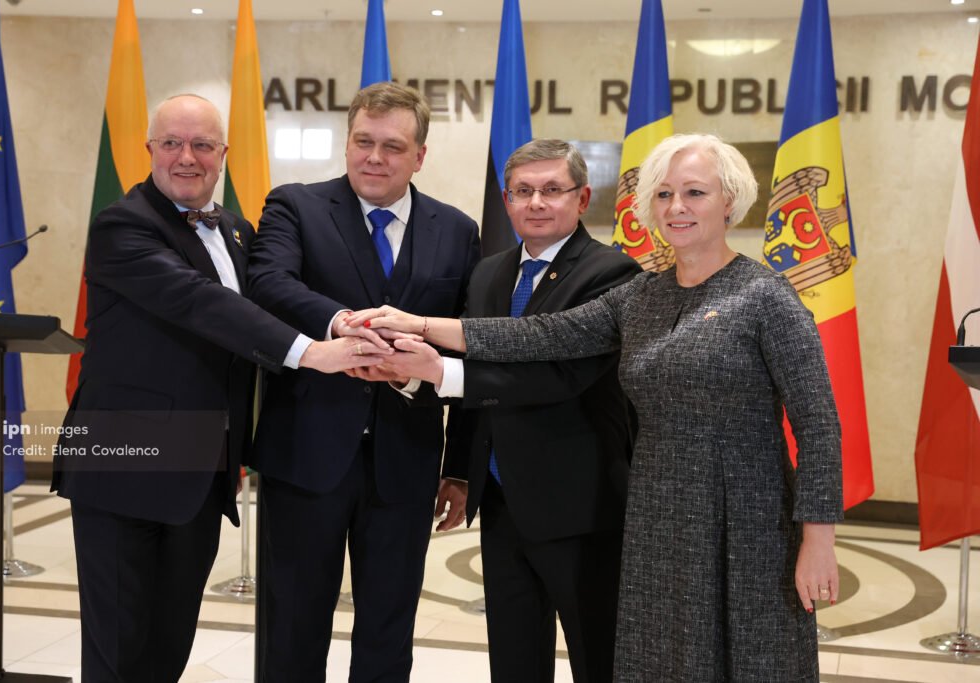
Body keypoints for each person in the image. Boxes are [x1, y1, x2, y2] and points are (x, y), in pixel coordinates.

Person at [349, 133, 843, 682]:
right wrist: (418, 325)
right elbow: (541, 336)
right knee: (661, 662)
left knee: (752, 657)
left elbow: (818, 424)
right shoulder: (642, 296)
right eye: (663, 195)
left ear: (729, 201)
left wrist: (818, 540)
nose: (676, 208)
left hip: (746, 514)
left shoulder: (767, 297)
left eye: (695, 193)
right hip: (656, 512)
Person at [53, 94, 389, 683]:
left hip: (201, 471)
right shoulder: (122, 225)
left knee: (168, 643)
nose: (188, 157)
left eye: (203, 144)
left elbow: (274, 295)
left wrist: (349, 325)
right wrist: (314, 353)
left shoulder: (236, 230)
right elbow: (200, 303)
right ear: (150, 150)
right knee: (116, 650)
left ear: (223, 155)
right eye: (173, 144)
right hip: (119, 469)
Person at [378, 138, 639, 683]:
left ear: (582, 197)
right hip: (500, 500)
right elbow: (478, 382)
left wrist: (440, 371)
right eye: (522, 191)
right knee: (514, 655)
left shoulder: (612, 274)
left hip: (579, 505)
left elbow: (555, 376)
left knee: (599, 654)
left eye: (551, 190)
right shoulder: (490, 272)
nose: (536, 203)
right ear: (506, 199)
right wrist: (457, 470)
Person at [245, 81, 481, 682]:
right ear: (347, 142)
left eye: (393, 147)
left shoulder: (457, 230)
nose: (374, 157)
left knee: (388, 627)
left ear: (420, 156)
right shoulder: (294, 205)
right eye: (363, 142)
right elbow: (268, 282)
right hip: (306, 455)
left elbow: (471, 343)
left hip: (406, 462)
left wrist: (458, 467)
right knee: (292, 625)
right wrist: (338, 322)